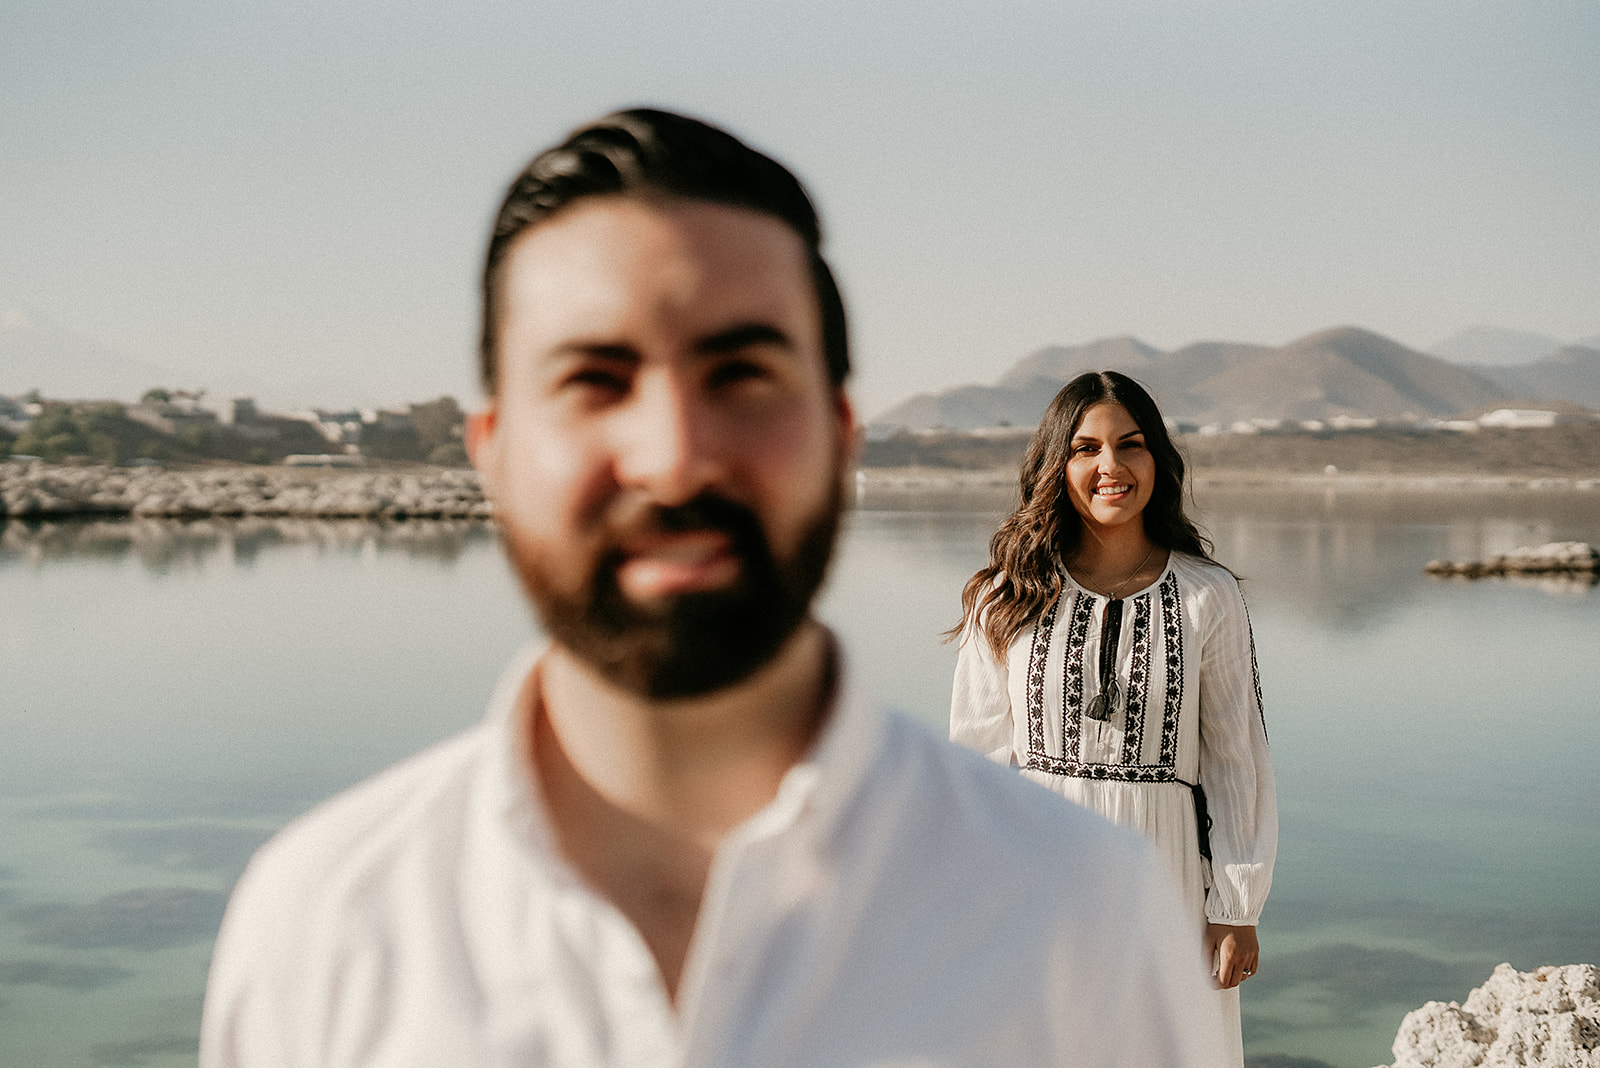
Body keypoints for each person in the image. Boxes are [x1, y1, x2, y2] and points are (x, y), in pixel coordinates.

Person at [200, 110, 1229, 1067]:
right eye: (594, 380)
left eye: (739, 374)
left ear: (838, 438)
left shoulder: (1078, 912)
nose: (675, 458)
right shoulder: (328, 926)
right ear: (495, 451)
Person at [950, 370, 1277, 1066]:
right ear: (1055, 466)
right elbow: (976, 762)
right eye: (1085, 448)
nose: (1110, 467)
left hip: (1167, 874)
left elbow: (1235, 758)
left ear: (1157, 458)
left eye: (1130, 445)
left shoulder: (1206, 595)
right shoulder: (1005, 597)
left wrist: (1237, 904)